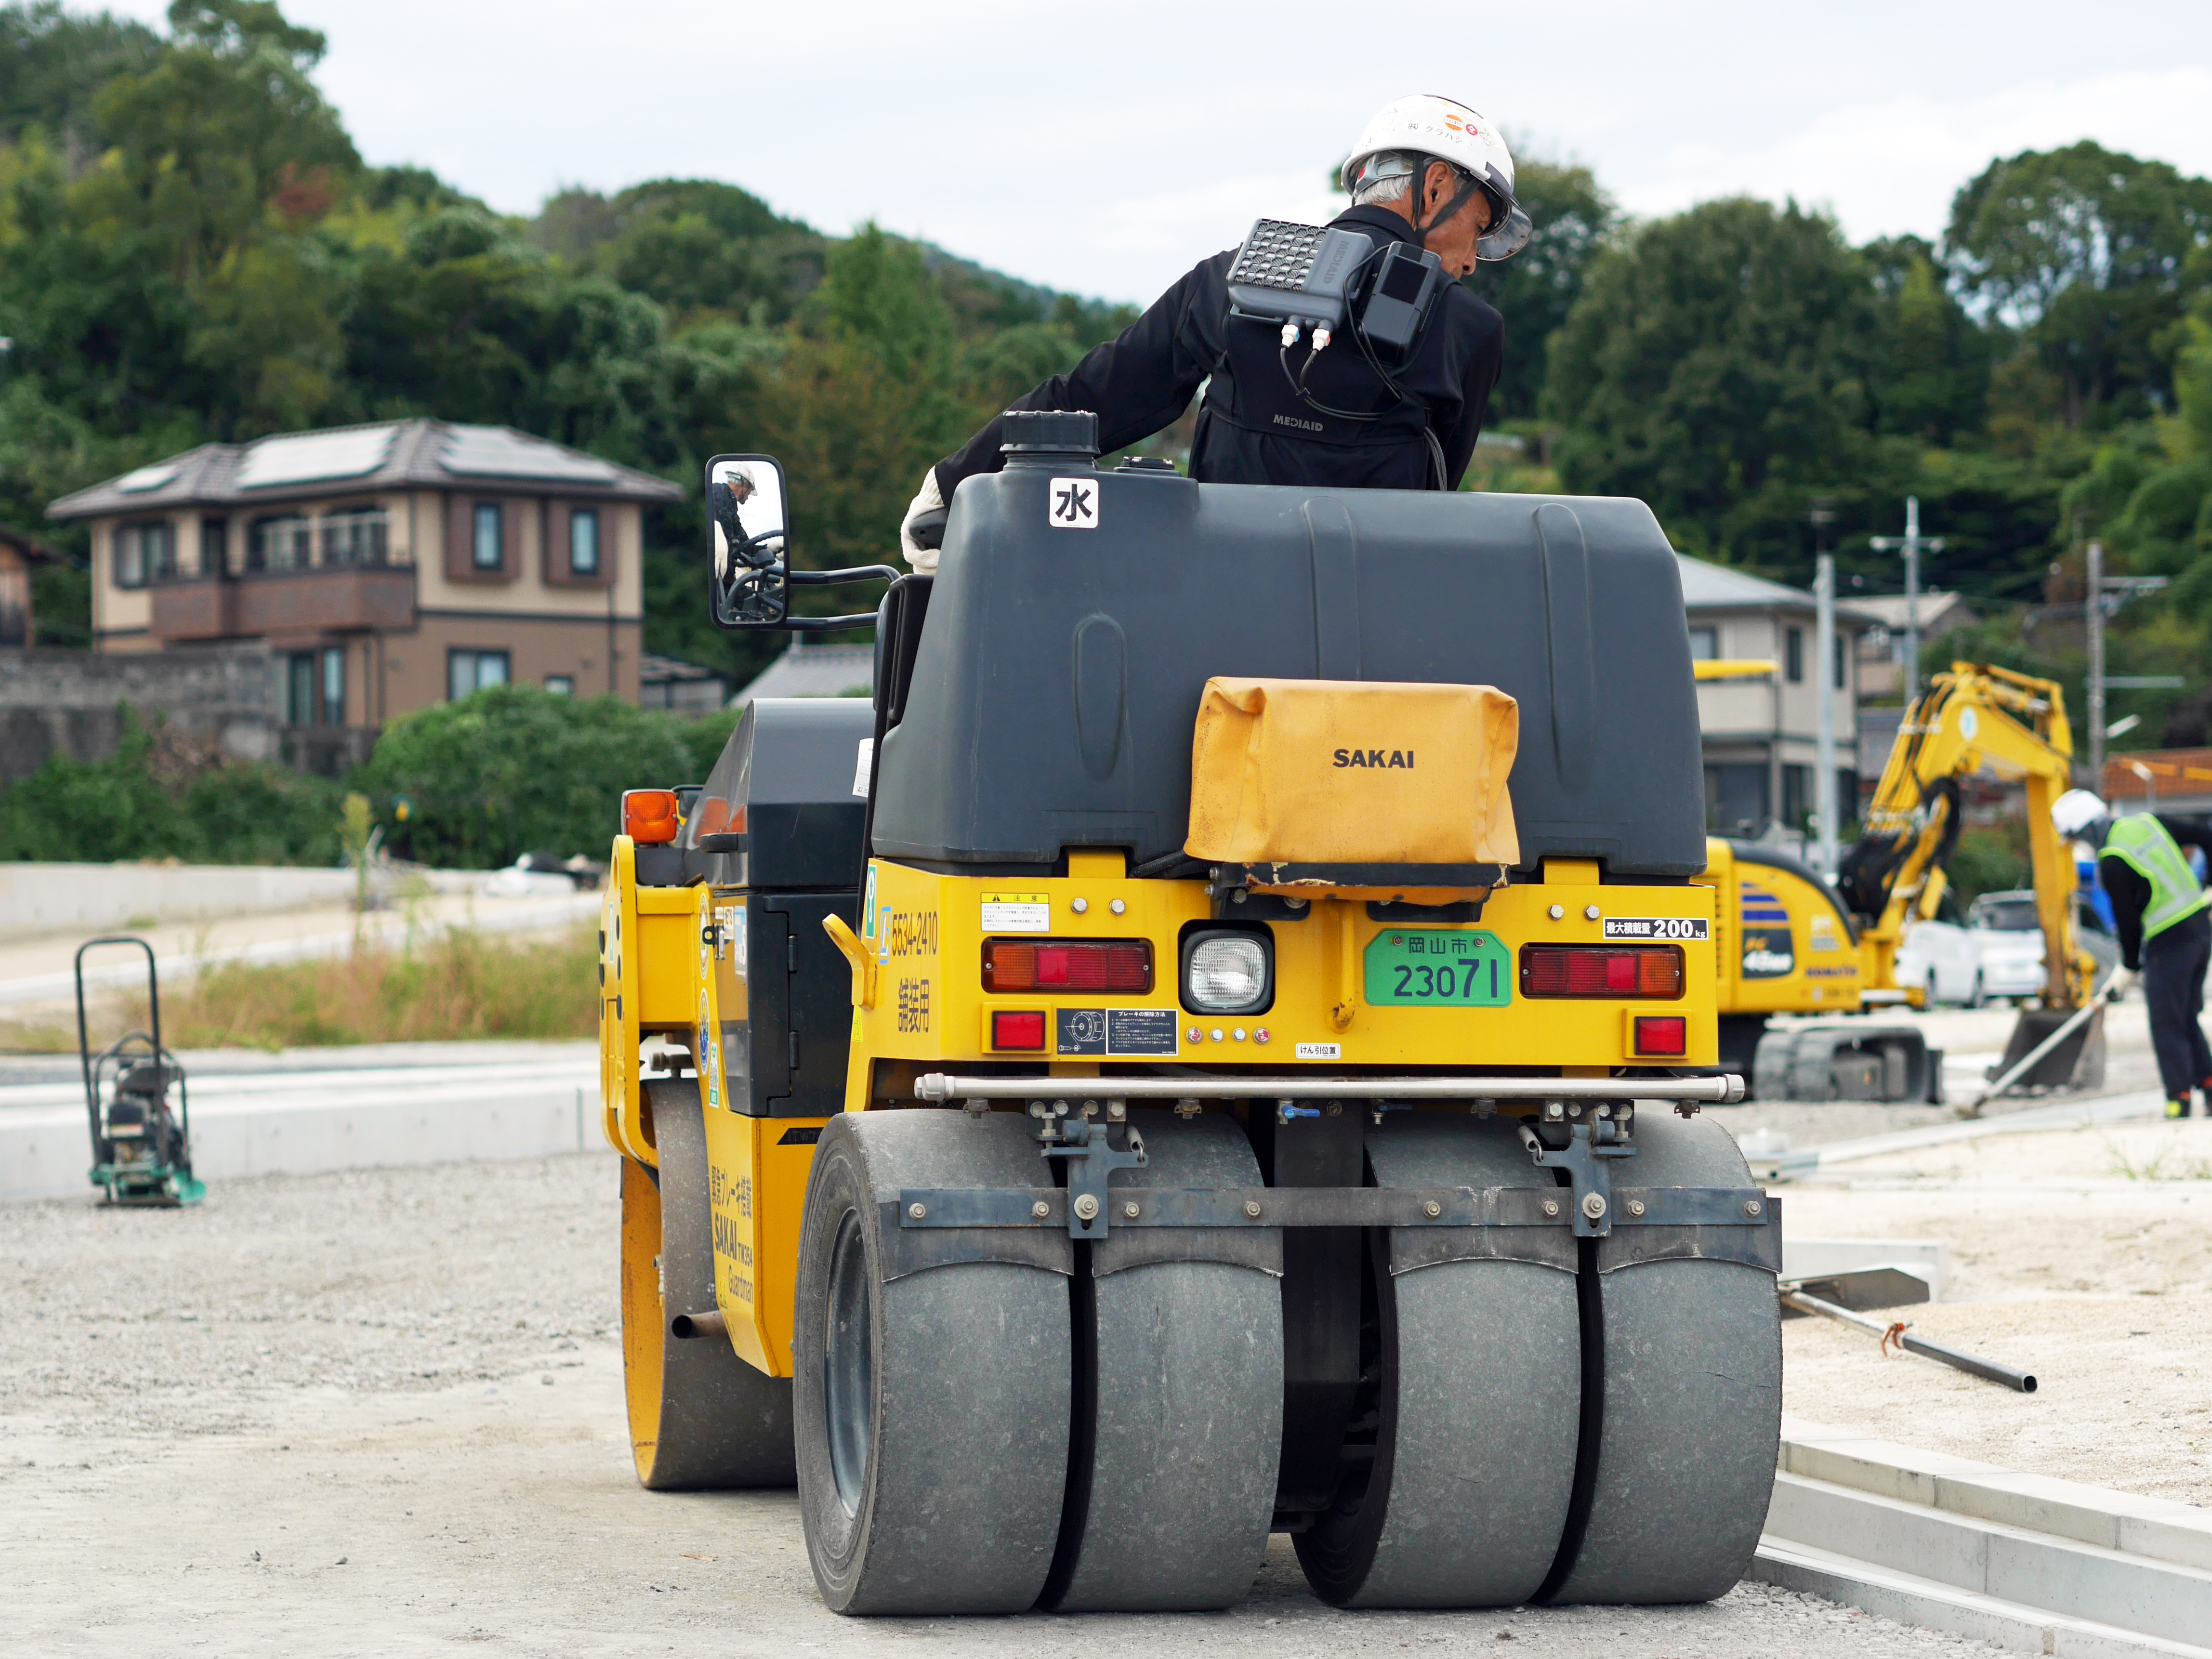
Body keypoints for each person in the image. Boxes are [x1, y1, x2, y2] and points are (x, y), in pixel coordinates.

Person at [898, 94, 1529, 568]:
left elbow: (1108, 390)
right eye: (1475, 229)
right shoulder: (1473, 331)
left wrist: (955, 484)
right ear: (1437, 186)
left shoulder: (1232, 277)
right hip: (1382, 634)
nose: (1472, 260)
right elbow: (1441, 487)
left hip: (1221, 627)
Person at [2052, 789, 2212, 1117]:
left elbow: (2128, 922)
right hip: (2200, 931)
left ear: (2085, 829)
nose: (2079, 845)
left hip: (2170, 942)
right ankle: (2209, 1087)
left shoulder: (2112, 859)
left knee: (2166, 1022)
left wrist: (2127, 967)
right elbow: (2206, 836)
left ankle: (2177, 1100)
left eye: (2076, 838)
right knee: (2184, 1017)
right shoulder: (2149, 823)